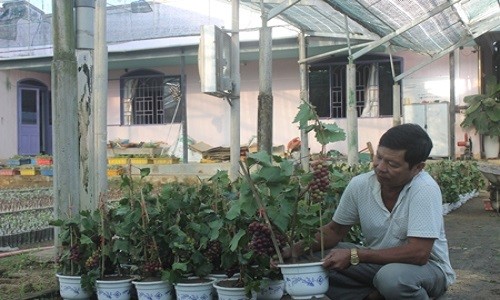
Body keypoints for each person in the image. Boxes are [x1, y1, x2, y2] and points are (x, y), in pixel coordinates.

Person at [285, 123, 455, 300]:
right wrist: (293, 250)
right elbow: (335, 231)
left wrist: (355, 255)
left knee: (392, 279)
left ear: (417, 168)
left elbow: (419, 253)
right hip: (377, 263)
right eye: (378, 157)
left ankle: (392, 293)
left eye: (392, 164)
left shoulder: (424, 189)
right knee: (310, 259)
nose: (380, 167)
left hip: (426, 270)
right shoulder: (361, 185)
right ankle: (375, 295)